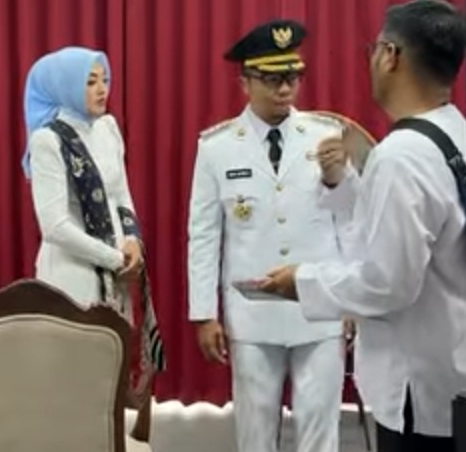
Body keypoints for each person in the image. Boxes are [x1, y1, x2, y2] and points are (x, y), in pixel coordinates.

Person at [260, 2, 466, 451]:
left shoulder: (401, 155)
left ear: (390, 55)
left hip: (420, 386)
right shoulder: (459, 133)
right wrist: (342, 183)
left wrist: (303, 282)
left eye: (373, 49)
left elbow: (388, 282)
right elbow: (396, 232)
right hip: (460, 366)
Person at [187, 20, 356, 452]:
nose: (285, 89)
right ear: (244, 82)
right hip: (253, 311)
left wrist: (351, 297)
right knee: (255, 434)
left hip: (319, 306)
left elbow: (348, 220)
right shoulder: (217, 146)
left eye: (293, 78)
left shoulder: (325, 135)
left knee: (320, 434)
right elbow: (203, 234)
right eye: (272, 79)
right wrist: (204, 313)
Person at [22, 46, 165, 389]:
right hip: (72, 276)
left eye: (105, 80)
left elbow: (121, 194)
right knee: (73, 383)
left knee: (110, 380)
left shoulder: (107, 128)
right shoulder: (48, 140)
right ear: (65, 86)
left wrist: (132, 241)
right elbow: (55, 227)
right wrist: (114, 258)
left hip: (116, 274)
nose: (102, 89)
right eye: (90, 82)